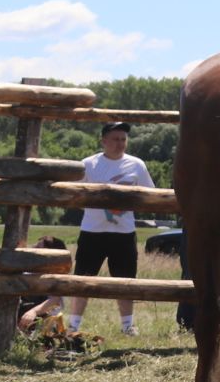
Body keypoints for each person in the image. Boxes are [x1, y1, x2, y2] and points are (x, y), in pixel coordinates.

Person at [66, 121, 156, 338]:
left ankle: (127, 326)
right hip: (92, 232)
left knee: (125, 281)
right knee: (83, 279)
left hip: (124, 233)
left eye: (123, 139)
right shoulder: (88, 164)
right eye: (115, 139)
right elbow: (73, 194)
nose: (120, 144)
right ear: (103, 141)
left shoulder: (137, 165)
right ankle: (73, 325)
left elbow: (149, 195)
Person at [18, 236, 69, 334]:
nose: (33, 249)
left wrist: (34, 312)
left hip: (43, 322)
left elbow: (54, 300)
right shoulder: (27, 272)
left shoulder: (55, 277)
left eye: (38, 248)